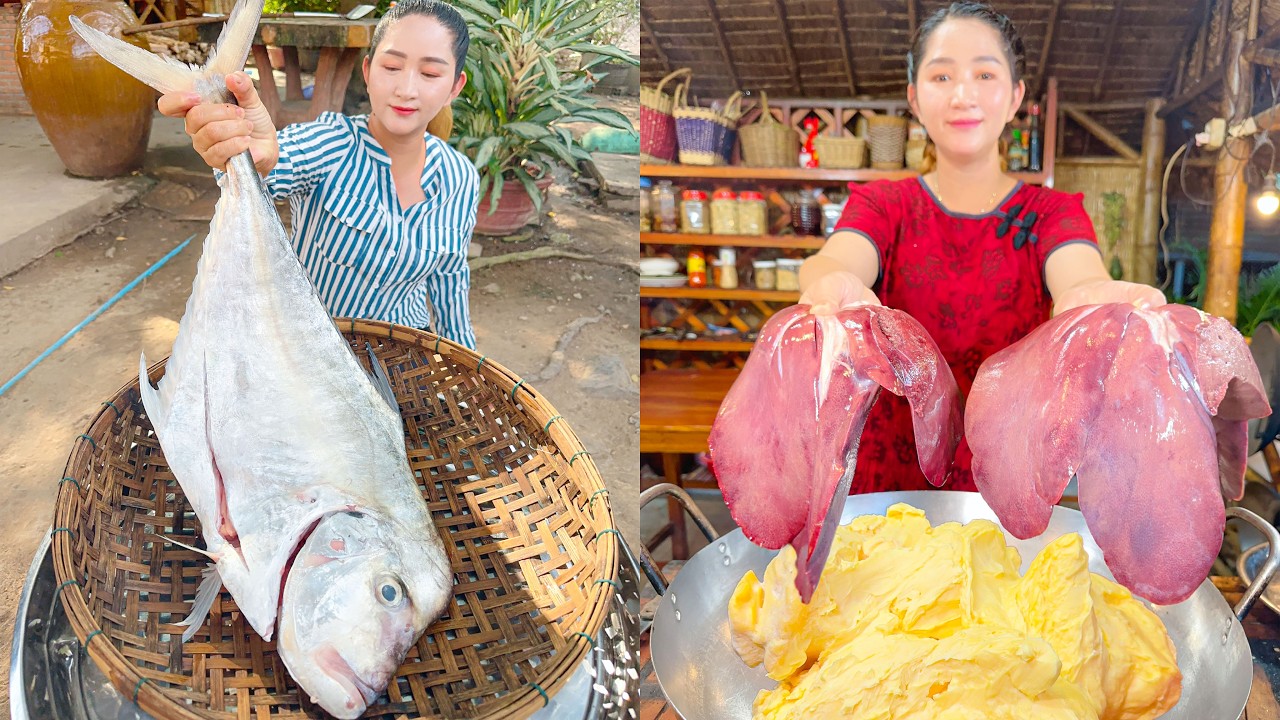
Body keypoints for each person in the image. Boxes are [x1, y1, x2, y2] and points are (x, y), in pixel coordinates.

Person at [797, 1, 1166, 493]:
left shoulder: (1050, 213)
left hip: (1007, 465)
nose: (963, 95)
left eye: (985, 75)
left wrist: (1090, 298)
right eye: (942, 77)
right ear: (914, 96)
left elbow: (1079, 276)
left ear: (1015, 97)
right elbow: (841, 258)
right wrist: (829, 281)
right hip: (890, 467)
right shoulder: (884, 205)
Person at [158, 0, 480, 349]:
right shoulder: (331, 144)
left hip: (402, 365)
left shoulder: (460, 177)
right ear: (368, 71)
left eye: (430, 74)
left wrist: (471, 372)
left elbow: (450, 282)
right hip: (307, 359)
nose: (407, 89)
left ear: (454, 87)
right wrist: (249, 156)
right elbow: (272, 165)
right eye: (392, 67)